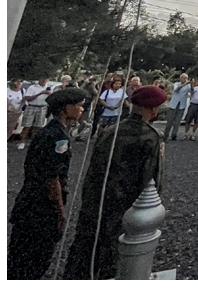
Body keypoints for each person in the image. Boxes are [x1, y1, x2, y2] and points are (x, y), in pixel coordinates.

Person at [64, 85, 166, 280]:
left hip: (95, 203)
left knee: (84, 253)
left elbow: (94, 169)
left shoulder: (110, 130)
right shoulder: (151, 137)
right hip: (125, 208)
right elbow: (152, 183)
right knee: (116, 261)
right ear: (153, 109)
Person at [8, 88, 86, 279]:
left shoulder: (47, 131)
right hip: (41, 209)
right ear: (66, 108)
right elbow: (53, 179)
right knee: (34, 262)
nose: (82, 110)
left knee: (18, 258)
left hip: (28, 204)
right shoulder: (58, 137)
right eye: (79, 106)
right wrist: (60, 213)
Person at [17, 76, 53, 150]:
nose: (44, 81)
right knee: (27, 126)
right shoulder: (32, 87)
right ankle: (22, 142)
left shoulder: (49, 87)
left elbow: (51, 99)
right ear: (40, 79)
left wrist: (50, 94)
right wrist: (39, 94)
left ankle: (33, 142)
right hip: (32, 106)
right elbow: (28, 98)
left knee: (38, 127)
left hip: (42, 107)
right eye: (43, 79)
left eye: (46, 79)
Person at [164, 73, 191, 141]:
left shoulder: (188, 86)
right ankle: (165, 135)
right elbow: (176, 89)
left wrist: (192, 84)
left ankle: (174, 135)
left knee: (177, 122)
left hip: (181, 105)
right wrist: (185, 84)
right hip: (173, 105)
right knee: (169, 121)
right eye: (183, 78)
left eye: (186, 78)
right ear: (180, 78)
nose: (184, 79)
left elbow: (192, 91)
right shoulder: (176, 83)